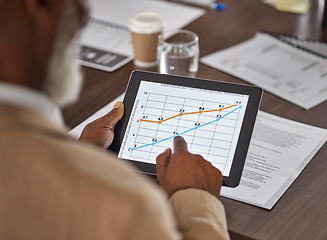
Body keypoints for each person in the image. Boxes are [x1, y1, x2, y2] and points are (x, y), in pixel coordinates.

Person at [0, 0, 230, 239]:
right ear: (35, 6)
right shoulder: (122, 202)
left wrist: (82, 151)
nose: (83, 14)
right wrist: (195, 197)